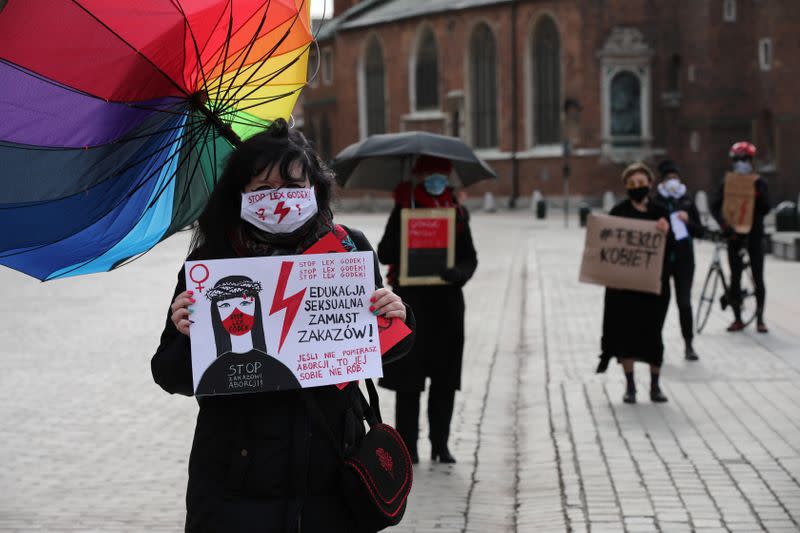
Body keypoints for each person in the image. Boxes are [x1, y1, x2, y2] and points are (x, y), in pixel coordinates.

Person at [151, 119, 415, 533]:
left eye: (293, 187)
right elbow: (169, 373)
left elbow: (381, 354)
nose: (280, 200)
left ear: (315, 189)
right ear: (240, 195)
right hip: (234, 489)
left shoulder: (347, 249)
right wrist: (185, 336)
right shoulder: (212, 264)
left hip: (330, 477)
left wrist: (396, 316)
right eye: (264, 189)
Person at [377, 155, 477, 464]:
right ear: (419, 178)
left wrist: (458, 274)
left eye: (442, 176)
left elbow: (469, 258)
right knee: (409, 382)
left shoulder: (457, 213)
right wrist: (408, 235)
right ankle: (408, 448)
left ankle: (440, 444)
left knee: (445, 380)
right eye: (430, 175)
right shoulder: (404, 208)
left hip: (447, 307)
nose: (437, 181)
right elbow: (384, 253)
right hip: (411, 306)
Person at [597, 162, 672, 404]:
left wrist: (667, 230)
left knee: (653, 334)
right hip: (624, 288)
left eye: (641, 183)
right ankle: (630, 386)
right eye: (632, 184)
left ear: (650, 184)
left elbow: (679, 243)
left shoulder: (661, 212)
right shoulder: (618, 212)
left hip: (653, 287)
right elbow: (606, 248)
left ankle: (655, 386)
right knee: (626, 335)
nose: (637, 187)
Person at [711, 141, 770, 333]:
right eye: (737, 159)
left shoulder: (759, 182)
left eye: (744, 159)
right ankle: (737, 318)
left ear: (751, 160)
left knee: (758, 277)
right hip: (734, 236)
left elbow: (767, 207)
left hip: (754, 236)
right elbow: (715, 206)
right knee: (734, 278)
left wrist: (757, 194)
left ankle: (760, 319)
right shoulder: (727, 182)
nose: (741, 163)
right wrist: (725, 226)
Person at [651, 160, 704, 361]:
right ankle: (656, 345)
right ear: (662, 181)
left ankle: (689, 344)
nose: (672, 181)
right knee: (660, 304)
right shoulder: (656, 202)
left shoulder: (687, 200)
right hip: (662, 259)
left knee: (684, 303)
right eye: (668, 178)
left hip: (684, 259)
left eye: (675, 178)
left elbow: (700, 231)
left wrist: (687, 222)